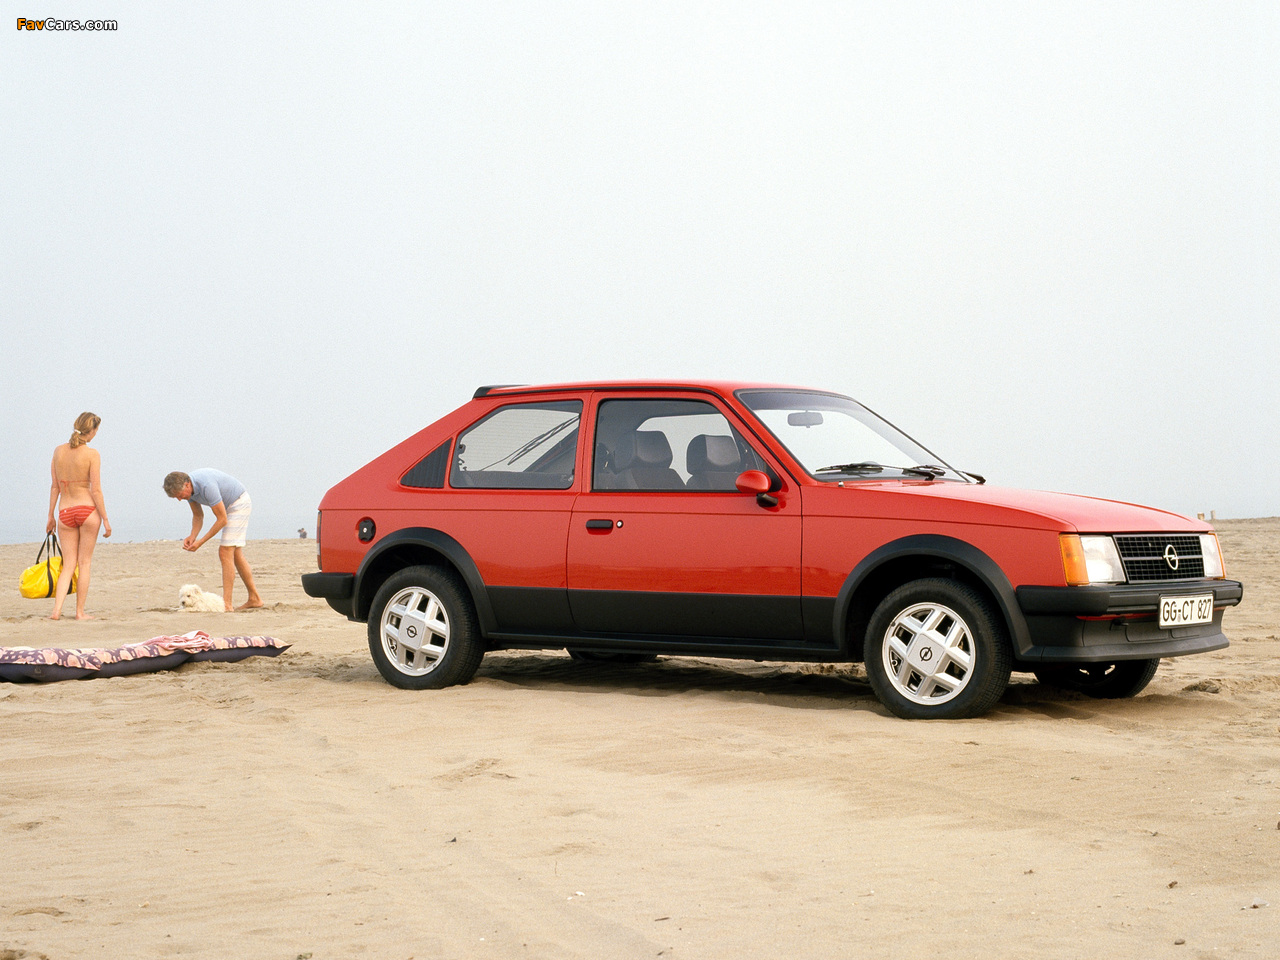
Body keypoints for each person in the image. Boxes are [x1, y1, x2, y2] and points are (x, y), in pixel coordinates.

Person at [163, 468, 264, 611]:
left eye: (179, 495)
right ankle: (254, 598)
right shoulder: (190, 492)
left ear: (187, 485)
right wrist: (192, 536)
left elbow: (222, 519)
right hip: (228, 506)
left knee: (225, 551)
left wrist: (201, 542)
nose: (179, 499)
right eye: (176, 497)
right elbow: (198, 516)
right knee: (235, 553)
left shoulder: (206, 486)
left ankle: (227, 604)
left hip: (238, 503)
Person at [47, 412, 112, 620]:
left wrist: (50, 516)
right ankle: (79, 612)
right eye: (96, 430)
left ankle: (56, 611)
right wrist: (106, 520)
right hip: (87, 510)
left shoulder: (58, 451)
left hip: (65, 511)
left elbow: (55, 487)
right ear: (91, 431)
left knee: (68, 564)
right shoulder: (92, 454)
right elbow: (96, 490)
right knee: (84, 563)